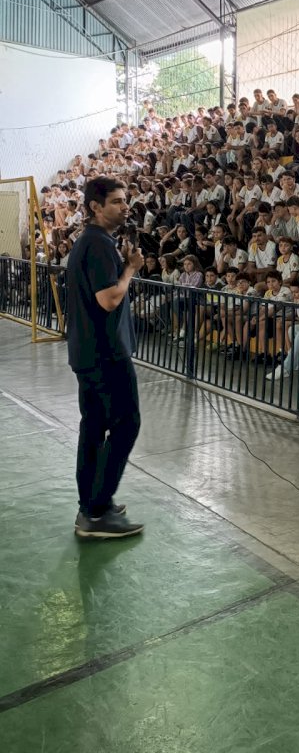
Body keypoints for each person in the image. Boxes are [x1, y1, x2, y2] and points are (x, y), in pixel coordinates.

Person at [65, 177, 145, 539]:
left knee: (94, 428)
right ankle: (97, 510)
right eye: (116, 201)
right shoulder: (98, 244)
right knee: (127, 424)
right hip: (106, 354)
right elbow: (109, 299)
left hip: (88, 351)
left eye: (125, 200)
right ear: (95, 207)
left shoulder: (93, 242)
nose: (125, 206)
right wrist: (130, 270)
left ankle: (91, 506)